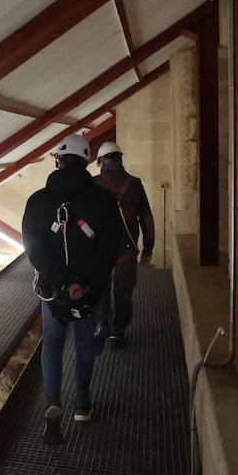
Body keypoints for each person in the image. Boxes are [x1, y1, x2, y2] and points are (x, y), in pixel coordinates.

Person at [22, 134, 122, 444]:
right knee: (83, 347)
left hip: (53, 292)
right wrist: (85, 283)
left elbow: (34, 248)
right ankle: (82, 405)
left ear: (58, 161)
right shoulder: (104, 200)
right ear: (88, 161)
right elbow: (110, 248)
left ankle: (53, 402)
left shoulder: (38, 201)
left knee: (51, 342)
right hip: (89, 292)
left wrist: (62, 282)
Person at [93, 141, 156, 350]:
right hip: (126, 250)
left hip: (99, 250)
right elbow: (146, 218)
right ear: (120, 158)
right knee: (124, 291)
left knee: (100, 288)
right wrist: (148, 248)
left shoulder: (93, 183)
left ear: (101, 160)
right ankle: (117, 334)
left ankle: (102, 324)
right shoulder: (135, 183)